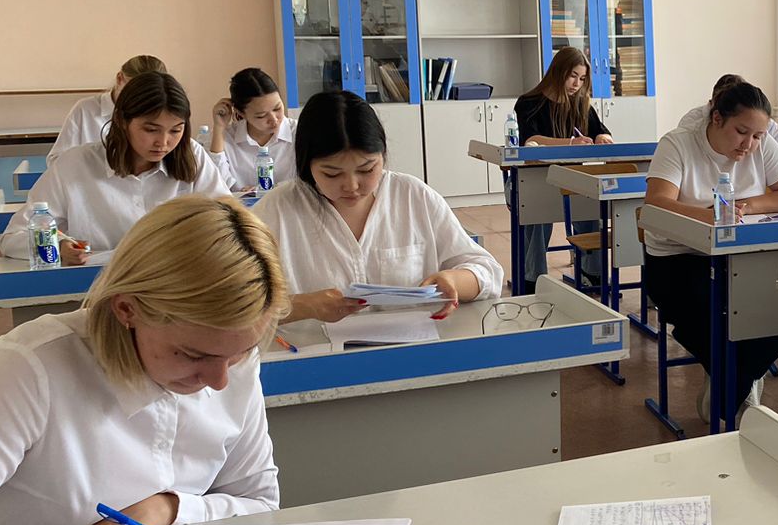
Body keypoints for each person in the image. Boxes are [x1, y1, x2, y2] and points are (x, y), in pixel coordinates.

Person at [0, 196, 289, 525]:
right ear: (127, 308)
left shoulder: (227, 359)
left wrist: (165, 508)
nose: (219, 381)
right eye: (192, 354)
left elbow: (260, 505)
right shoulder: (27, 370)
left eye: (240, 353)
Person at [254, 90, 503, 324]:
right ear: (306, 165)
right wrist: (302, 306)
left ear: (383, 155)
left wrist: (453, 280)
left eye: (367, 169)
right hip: (312, 350)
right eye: (332, 174)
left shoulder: (413, 196)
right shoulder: (276, 211)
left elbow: (488, 272)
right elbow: (236, 303)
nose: (351, 186)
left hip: (411, 346)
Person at [644, 81, 778, 421]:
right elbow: (656, 202)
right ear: (717, 118)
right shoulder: (678, 144)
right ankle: (740, 390)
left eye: (758, 136)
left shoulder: (761, 146)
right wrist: (708, 215)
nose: (749, 144)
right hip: (678, 260)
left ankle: (728, 388)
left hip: (738, 257)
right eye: (741, 132)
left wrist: (747, 205)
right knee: (712, 318)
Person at [1, 72, 229, 265]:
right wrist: (59, 246)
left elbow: (229, 221)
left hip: (175, 285)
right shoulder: (74, 165)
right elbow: (12, 237)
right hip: (95, 289)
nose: (163, 142)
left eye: (176, 130)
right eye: (151, 130)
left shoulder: (192, 156)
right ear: (121, 120)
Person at [512, 47, 614, 288]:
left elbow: (600, 130)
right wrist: (570, 143)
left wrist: (603, 137)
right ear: (558, 72)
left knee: (591, 205)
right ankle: (534, 277)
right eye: (572, 76)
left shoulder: (581, 104)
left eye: (582, 78)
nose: (577, 84)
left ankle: (592, 272)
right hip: (533, 180)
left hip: (572, 179)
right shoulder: (528, 103)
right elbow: (530, 139)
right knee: (537, 211)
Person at [47, 55, 168, 163]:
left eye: (149, 96)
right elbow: (56, 162)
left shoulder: (163, 114)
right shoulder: (85, 110)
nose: (140, 101)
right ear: (120, 79)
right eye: (134, 92)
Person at [208, 67, 297, 193]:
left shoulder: (299, 132)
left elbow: (309, 181)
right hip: (239, 205)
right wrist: (219, 128)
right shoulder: (226, 137)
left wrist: (268, 191)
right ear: (241, 113)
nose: (274, 119)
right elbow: (215, 184)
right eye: (261, 116)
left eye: (277, 108)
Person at [679, 74, 778, 160]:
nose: (747, 144)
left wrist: (765, 160)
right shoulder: (691, 123)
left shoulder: (761, 123)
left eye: (757, 136)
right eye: (741, 131)